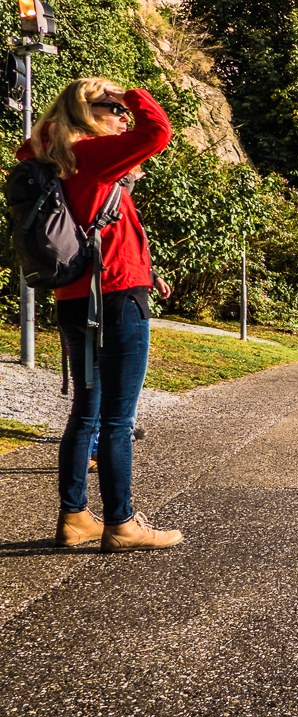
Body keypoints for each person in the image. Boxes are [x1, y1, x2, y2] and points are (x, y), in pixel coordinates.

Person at [18, 78, 182, 552]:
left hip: (74, 296)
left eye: (123, 110)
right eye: (113, 110)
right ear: (88, 112)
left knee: (85, 413)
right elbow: (158, 133)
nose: (123, 118)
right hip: (114, 295)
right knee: (117, 418)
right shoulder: (89, 155)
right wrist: (129, 91)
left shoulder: (46, 157)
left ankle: (74, 519)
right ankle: (122, 523)